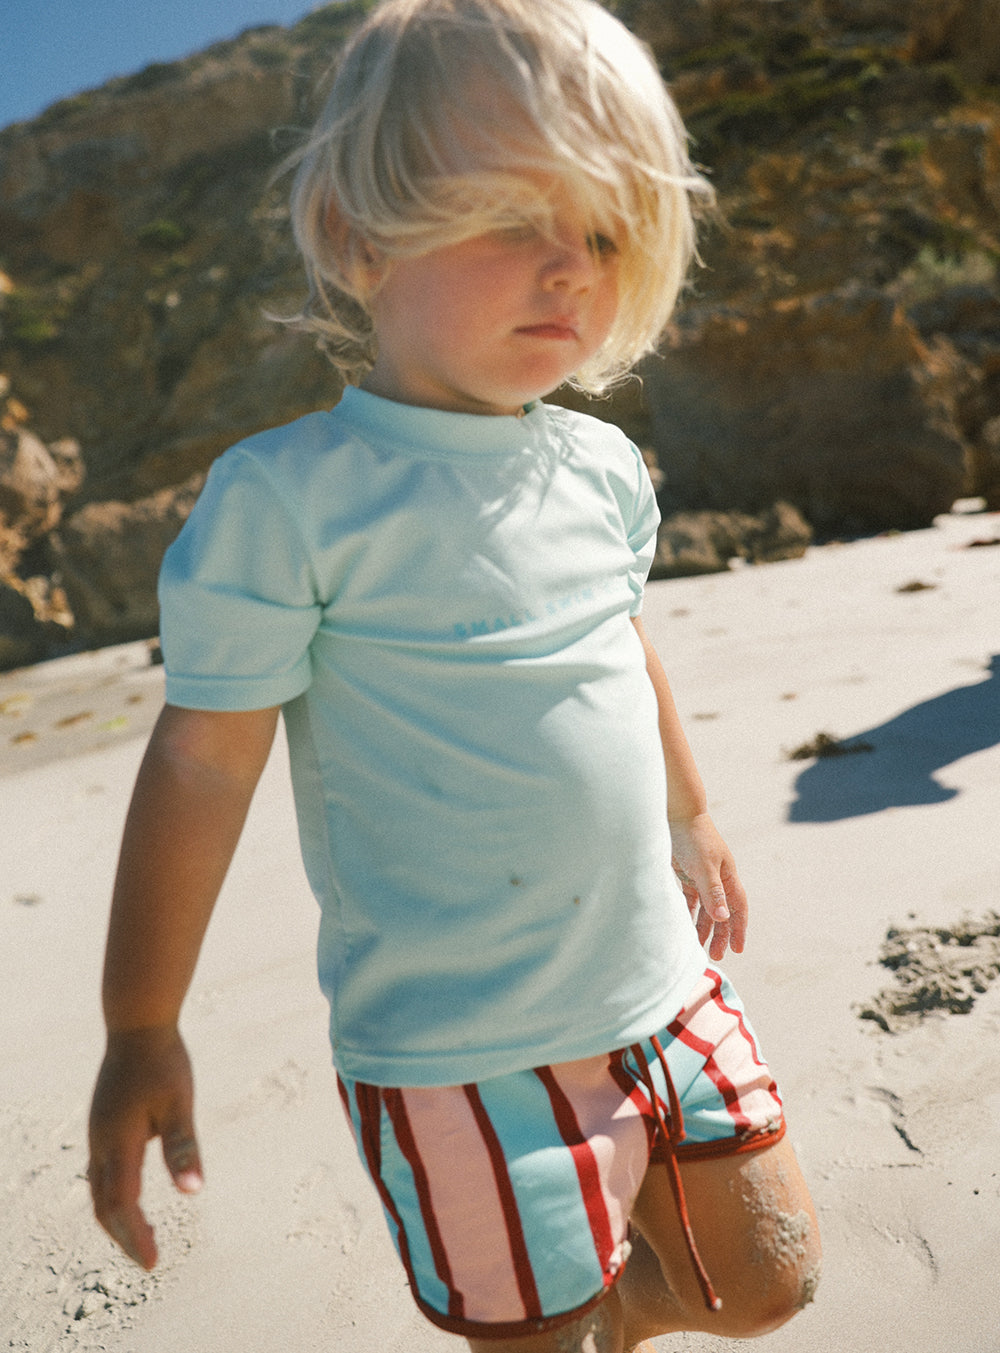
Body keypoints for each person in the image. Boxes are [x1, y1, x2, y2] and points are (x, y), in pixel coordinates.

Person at [87, 2, 821, 1350]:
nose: (570, 270)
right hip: (460, 1048)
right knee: (528, 1331)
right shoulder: (291, 499)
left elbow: (620, 642)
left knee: (773, 1276)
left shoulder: (597, 464)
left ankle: (633, 1314)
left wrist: (694, 811)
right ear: (359, 239)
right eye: (508, 219)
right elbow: (200, 758)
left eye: (602, 232)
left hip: (657, 980)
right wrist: (142, 1019)